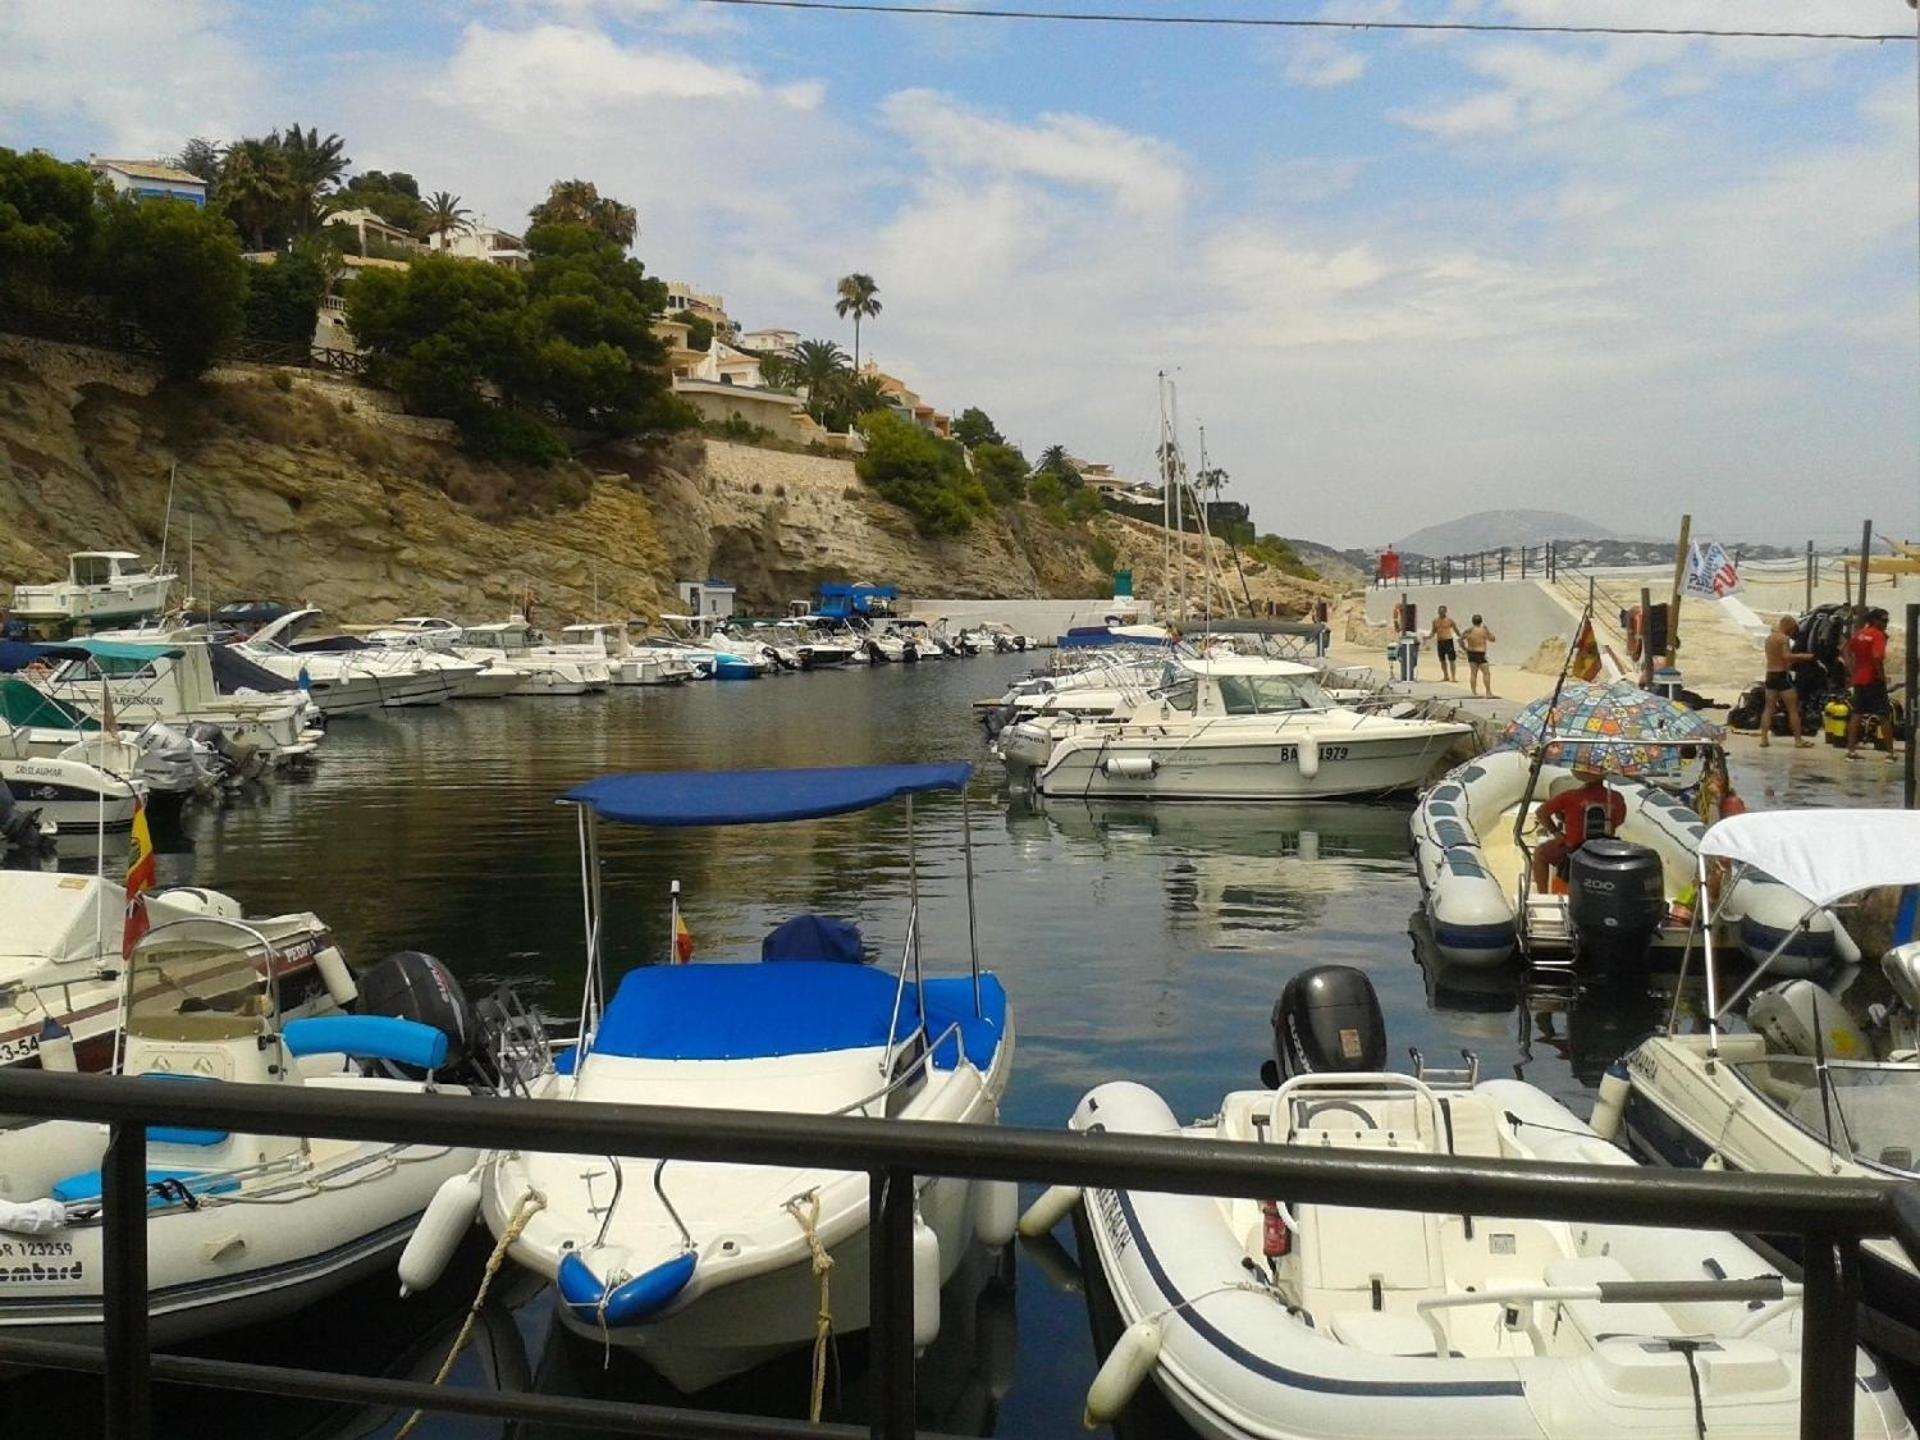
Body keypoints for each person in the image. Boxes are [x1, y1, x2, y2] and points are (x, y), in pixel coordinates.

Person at [1532, 764, 1626, 893]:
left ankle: (1542, 894)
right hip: (1605, 850)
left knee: (1540, 853)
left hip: (1574, 850)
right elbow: (1619, 821)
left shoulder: (1570, 796)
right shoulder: (1616, 798)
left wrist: (1556, 832)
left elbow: (1541, 813)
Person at [1757, 615, 1815, 749]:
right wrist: (1803, 656)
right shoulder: (1784, 639)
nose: (1792, 632)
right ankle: (1798, 740)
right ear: (1788, 626)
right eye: (1793, 629)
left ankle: (1764, 738)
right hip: (1782, 676)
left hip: (1770, 674)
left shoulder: (1769, 639)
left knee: (1768, 708)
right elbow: (1786, 656)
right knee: (1793, 709)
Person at [1846, 607, 1895, 760]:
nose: (1886, 624)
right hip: (1873, 679)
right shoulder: (1878, 635)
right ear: (1874, 620)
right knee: (1884, 715)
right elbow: (1877, 657)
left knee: (1856, 713)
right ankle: (1890, 753)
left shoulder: (1860, 633)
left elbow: (1845, 650)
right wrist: (1882, 676)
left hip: (1859, 679)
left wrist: (1852, 670)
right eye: (1884, 620)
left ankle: (1851, 751)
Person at [1462, 614, 1497, 697]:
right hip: (1480, 653)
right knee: (1486, 673)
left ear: (1472, 621)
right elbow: (1493, 639)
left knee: (1473, 673)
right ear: (1481, 621)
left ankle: (1474, 692)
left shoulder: (1468, 630)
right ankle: (1488, 692)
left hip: (1471, 652)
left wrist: (1464, 649)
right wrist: (1488, 630)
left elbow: (1460, 639)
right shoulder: (1483, 631)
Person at [1427, 606, 1461, 683]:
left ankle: (1453, 677)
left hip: (1448, 641)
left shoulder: (1450, 620)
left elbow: (1456, 630)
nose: (1441, 613)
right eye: (1439, 611)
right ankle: (1446, 676)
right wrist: (1428, 637)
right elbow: (1433, 631)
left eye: (1442, 611)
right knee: (1442, 660)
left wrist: (1461, 637)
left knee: (1451, 660)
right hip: (1440, 641)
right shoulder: (1435, 621)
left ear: (1445, 611)